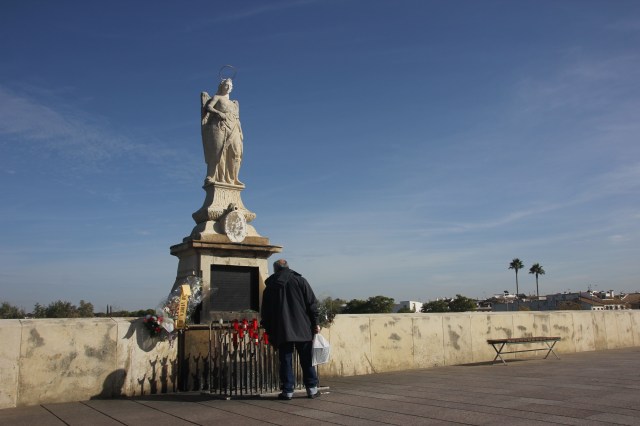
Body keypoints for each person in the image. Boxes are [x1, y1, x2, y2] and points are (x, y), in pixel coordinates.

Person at [260, 259, 321, 400]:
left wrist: (269, 330)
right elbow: (311, 303)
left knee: (285, 361)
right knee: (306, 360)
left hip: (282, 329)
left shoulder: (270, 286)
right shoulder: (300, 281)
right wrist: (315, 323)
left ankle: (287, 391)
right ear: (288, 267)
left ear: (275, 269)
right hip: (302, 327)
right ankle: (312, 389)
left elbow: (266, 312)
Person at [200, 78, 244, 186]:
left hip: (234, 128)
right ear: (222, 86)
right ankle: (214, 176)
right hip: (220, 126)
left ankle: (234, 178)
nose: (228, 87)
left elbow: (237, 118)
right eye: (226, 85)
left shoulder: (234, 103)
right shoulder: (217, 97)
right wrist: (218, 113)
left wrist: (240, 131)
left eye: (230, 86)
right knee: (218, 151)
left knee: (236, 153)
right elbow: (208, 107)